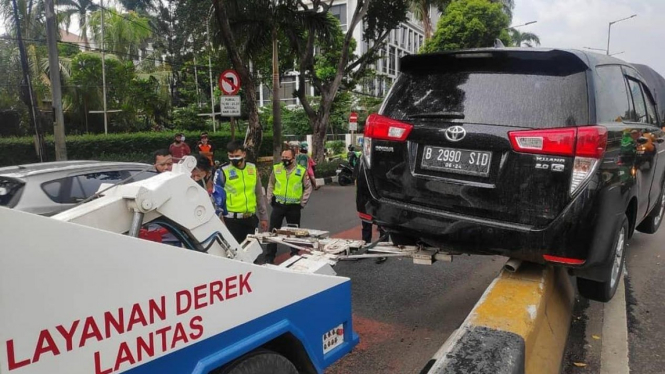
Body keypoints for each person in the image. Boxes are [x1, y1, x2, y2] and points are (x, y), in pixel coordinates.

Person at [212, 141, 269, 244]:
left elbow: (259, 194)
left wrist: (263, 217)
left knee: (252, 251)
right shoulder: (222, 171)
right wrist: (219, 219)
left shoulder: (252, 169)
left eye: (237, 156)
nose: (234, 159)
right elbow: (217, 199)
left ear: (244, 154)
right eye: (231, 156)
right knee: (235, 254)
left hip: (250, 218)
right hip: (231, 221)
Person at [265, 148, 313, 264]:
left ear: (293, 158)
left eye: (287, 158)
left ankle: (295, 255)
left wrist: (303, 202)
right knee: (273, 232)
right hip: (278, 205)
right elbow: (271, 184)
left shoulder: (301, 171)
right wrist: (270, 198)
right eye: (283, 157)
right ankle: (269, 257)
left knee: (294, 232)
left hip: (294, 207)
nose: (284, 160)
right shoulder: (277, 169)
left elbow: (308, 187)